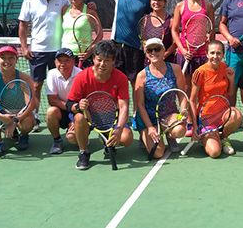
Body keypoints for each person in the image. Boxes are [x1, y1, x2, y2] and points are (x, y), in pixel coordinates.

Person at [96, 0, 151, 97]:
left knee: (136, 82)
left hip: (135, 48)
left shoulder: (146, 2)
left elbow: (151, 23)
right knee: (113, 80)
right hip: (116, 45)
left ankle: (135, 115)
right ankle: (115, 111)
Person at [66, 40, 133, 170]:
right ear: (93, 59)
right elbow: (69, 104)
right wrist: (79, 106)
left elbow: (124, 106)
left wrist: (118, 130)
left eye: (107, 60)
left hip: (111, 115)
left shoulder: (121, 78)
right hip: (89, 116)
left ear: (113, 61)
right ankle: (83, 152)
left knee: (126, 138)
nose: (102, 64)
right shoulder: (82, 77)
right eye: (99, 60)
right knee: (74, 132)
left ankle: (107, 139)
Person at [19, 0, 69, 133]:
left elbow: (76, 12)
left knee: (61, 86)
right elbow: (23, 25)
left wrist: (90, 6)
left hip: (59, 51)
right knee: (36, 85)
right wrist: (25, 47)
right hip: (38, 51)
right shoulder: (29, 1)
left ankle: (65, 116)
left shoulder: (63, 0)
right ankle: (34, 117)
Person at [171, 0, 216, 136]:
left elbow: (212, 32)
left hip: (203, 56)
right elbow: (174, 31)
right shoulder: (180, 6)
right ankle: (189, 122)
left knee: (203, 90)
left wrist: (210, 51)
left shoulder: (208, 6)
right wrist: (182, 50)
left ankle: (202, 119)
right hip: (185, 55)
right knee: (187, 89)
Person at [134, 38, 187, 158]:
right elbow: (140, 105)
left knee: (179, 130)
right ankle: (145, 135)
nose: (153, 52)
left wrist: (183, 110)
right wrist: (150, 127)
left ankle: (169, 134)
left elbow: (181, 94)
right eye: (149, 50)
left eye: (157, 49)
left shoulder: (175, 69)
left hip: (168, 114)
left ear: (163, 50)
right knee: (157, 153)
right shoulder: (141, 76)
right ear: (146, 53)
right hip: (148, 118)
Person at [0, 46, 38, 157]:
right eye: (3, 58)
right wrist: (0, 116)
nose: (7, 61)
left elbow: (30, 104)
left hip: (20, 111)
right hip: (0, 110)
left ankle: (24, 135)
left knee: (29, 120)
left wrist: (15, 120)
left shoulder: (24, 78)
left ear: (16, 60)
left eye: (11, 58)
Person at [190, 40, 243, 158]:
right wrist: (194, 126)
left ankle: (223, 137)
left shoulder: (225, 67)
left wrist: (231, 78)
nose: (215, 56)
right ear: (207, 54)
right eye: (212, 53)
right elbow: (192, 100)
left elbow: (230, 93)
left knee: (236, 115)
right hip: (206, 117)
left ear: (223, 55)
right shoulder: (200, 72)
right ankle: (207, 136)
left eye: (218, 53)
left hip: (223, 113)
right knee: (214, 152)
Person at [45, 48, 82, 154]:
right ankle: (57, 140)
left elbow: (84, 101)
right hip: (63, 109)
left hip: (78, 111)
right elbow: (52, 100)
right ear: (55, 62)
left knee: (73, 139)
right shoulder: (52, 74)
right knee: (50, 111)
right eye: (60, 61)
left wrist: (75, 119)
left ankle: (82, 135)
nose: (63, 64)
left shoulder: (81, 74)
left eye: (67, 60)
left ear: (73, 62)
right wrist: (71, 108)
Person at [61, 0, 103, 68]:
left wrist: (89, 52)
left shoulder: (90, 12)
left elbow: (100, 35)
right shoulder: (64, 10)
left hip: (84, 56)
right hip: (66, 54)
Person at [143, 0, 177, 65]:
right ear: (150, 1)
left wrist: (163, 56)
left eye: (160, 0)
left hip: (167, 62)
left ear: (165, 3)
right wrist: (150, 55)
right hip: (149, 62)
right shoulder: (145, 19)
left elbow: (174, 43)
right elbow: (144, 39)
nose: (156, 2)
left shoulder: (171, 21)